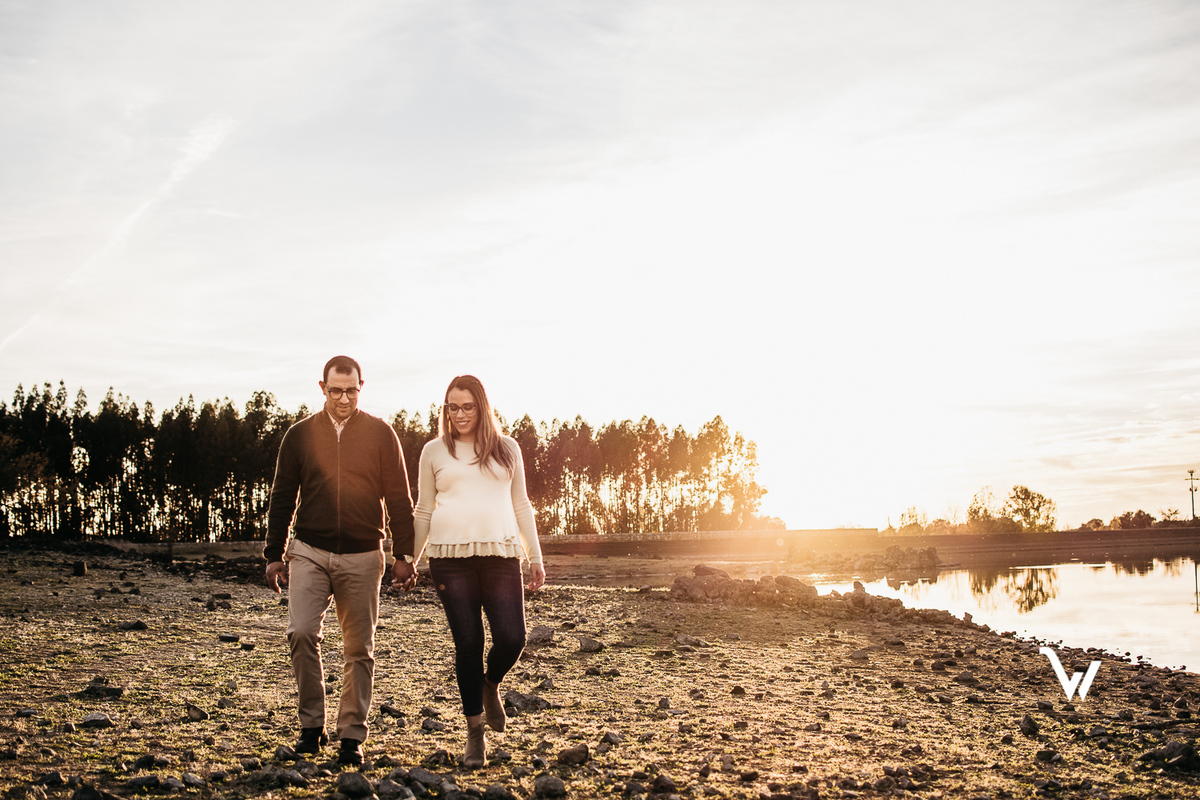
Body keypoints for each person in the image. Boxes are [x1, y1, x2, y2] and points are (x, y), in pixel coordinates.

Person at [264, 355, 417, 766]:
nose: (344, 398)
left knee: (359, 648)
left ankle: (352, 735)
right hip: (309, 551)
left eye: (352, 390)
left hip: (364, 554)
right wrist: (273, 554)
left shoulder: (381, 434)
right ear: (322, 388)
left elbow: (400, 498)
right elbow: (282, 497)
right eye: (336, 391)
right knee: (300, 633)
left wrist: (404, 554)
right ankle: (312, 727)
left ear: (360, 387)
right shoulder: (298, 436)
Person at [402, 374, 544, 769]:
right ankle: (474, 732)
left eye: (467, 406)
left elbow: (521, 505)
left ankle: (490, 684)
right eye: (452, 407)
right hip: (449, 558)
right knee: (468, 643)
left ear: (481, 407)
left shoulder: (506, 448)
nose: (460, 414)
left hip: (501, 556)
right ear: (445, 410)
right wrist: (411, 560)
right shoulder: (433, 451)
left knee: (513, 638)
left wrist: (535, 556)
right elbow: (424, 510)